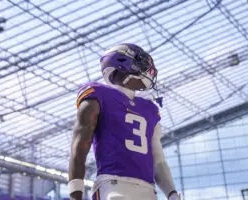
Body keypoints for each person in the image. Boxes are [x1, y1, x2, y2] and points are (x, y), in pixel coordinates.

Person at [68, 43, 181, 200]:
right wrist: (75, 194)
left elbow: (158, 160)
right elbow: (80, 146)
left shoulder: (150, 108)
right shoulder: (98, 93)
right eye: (140, 61)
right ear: (121, 62)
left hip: (148, 190)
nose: (147, 68)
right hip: (113, 186)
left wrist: (172, 193)